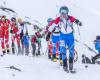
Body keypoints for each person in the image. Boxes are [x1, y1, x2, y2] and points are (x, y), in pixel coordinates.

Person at [46, 6, 82, 73]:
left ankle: (71, 65)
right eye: (61, 12)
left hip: (70, 36)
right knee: (63, 50)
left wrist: (78, 22)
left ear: (67, 12)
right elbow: (52, 25)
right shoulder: (58, 19)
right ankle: (65, 65)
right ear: (60, 13)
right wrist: (49, 33)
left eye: (64, 12)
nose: (63, 14)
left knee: (71, 50)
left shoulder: (70, 18)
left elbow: (75, 20)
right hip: (62, 36)